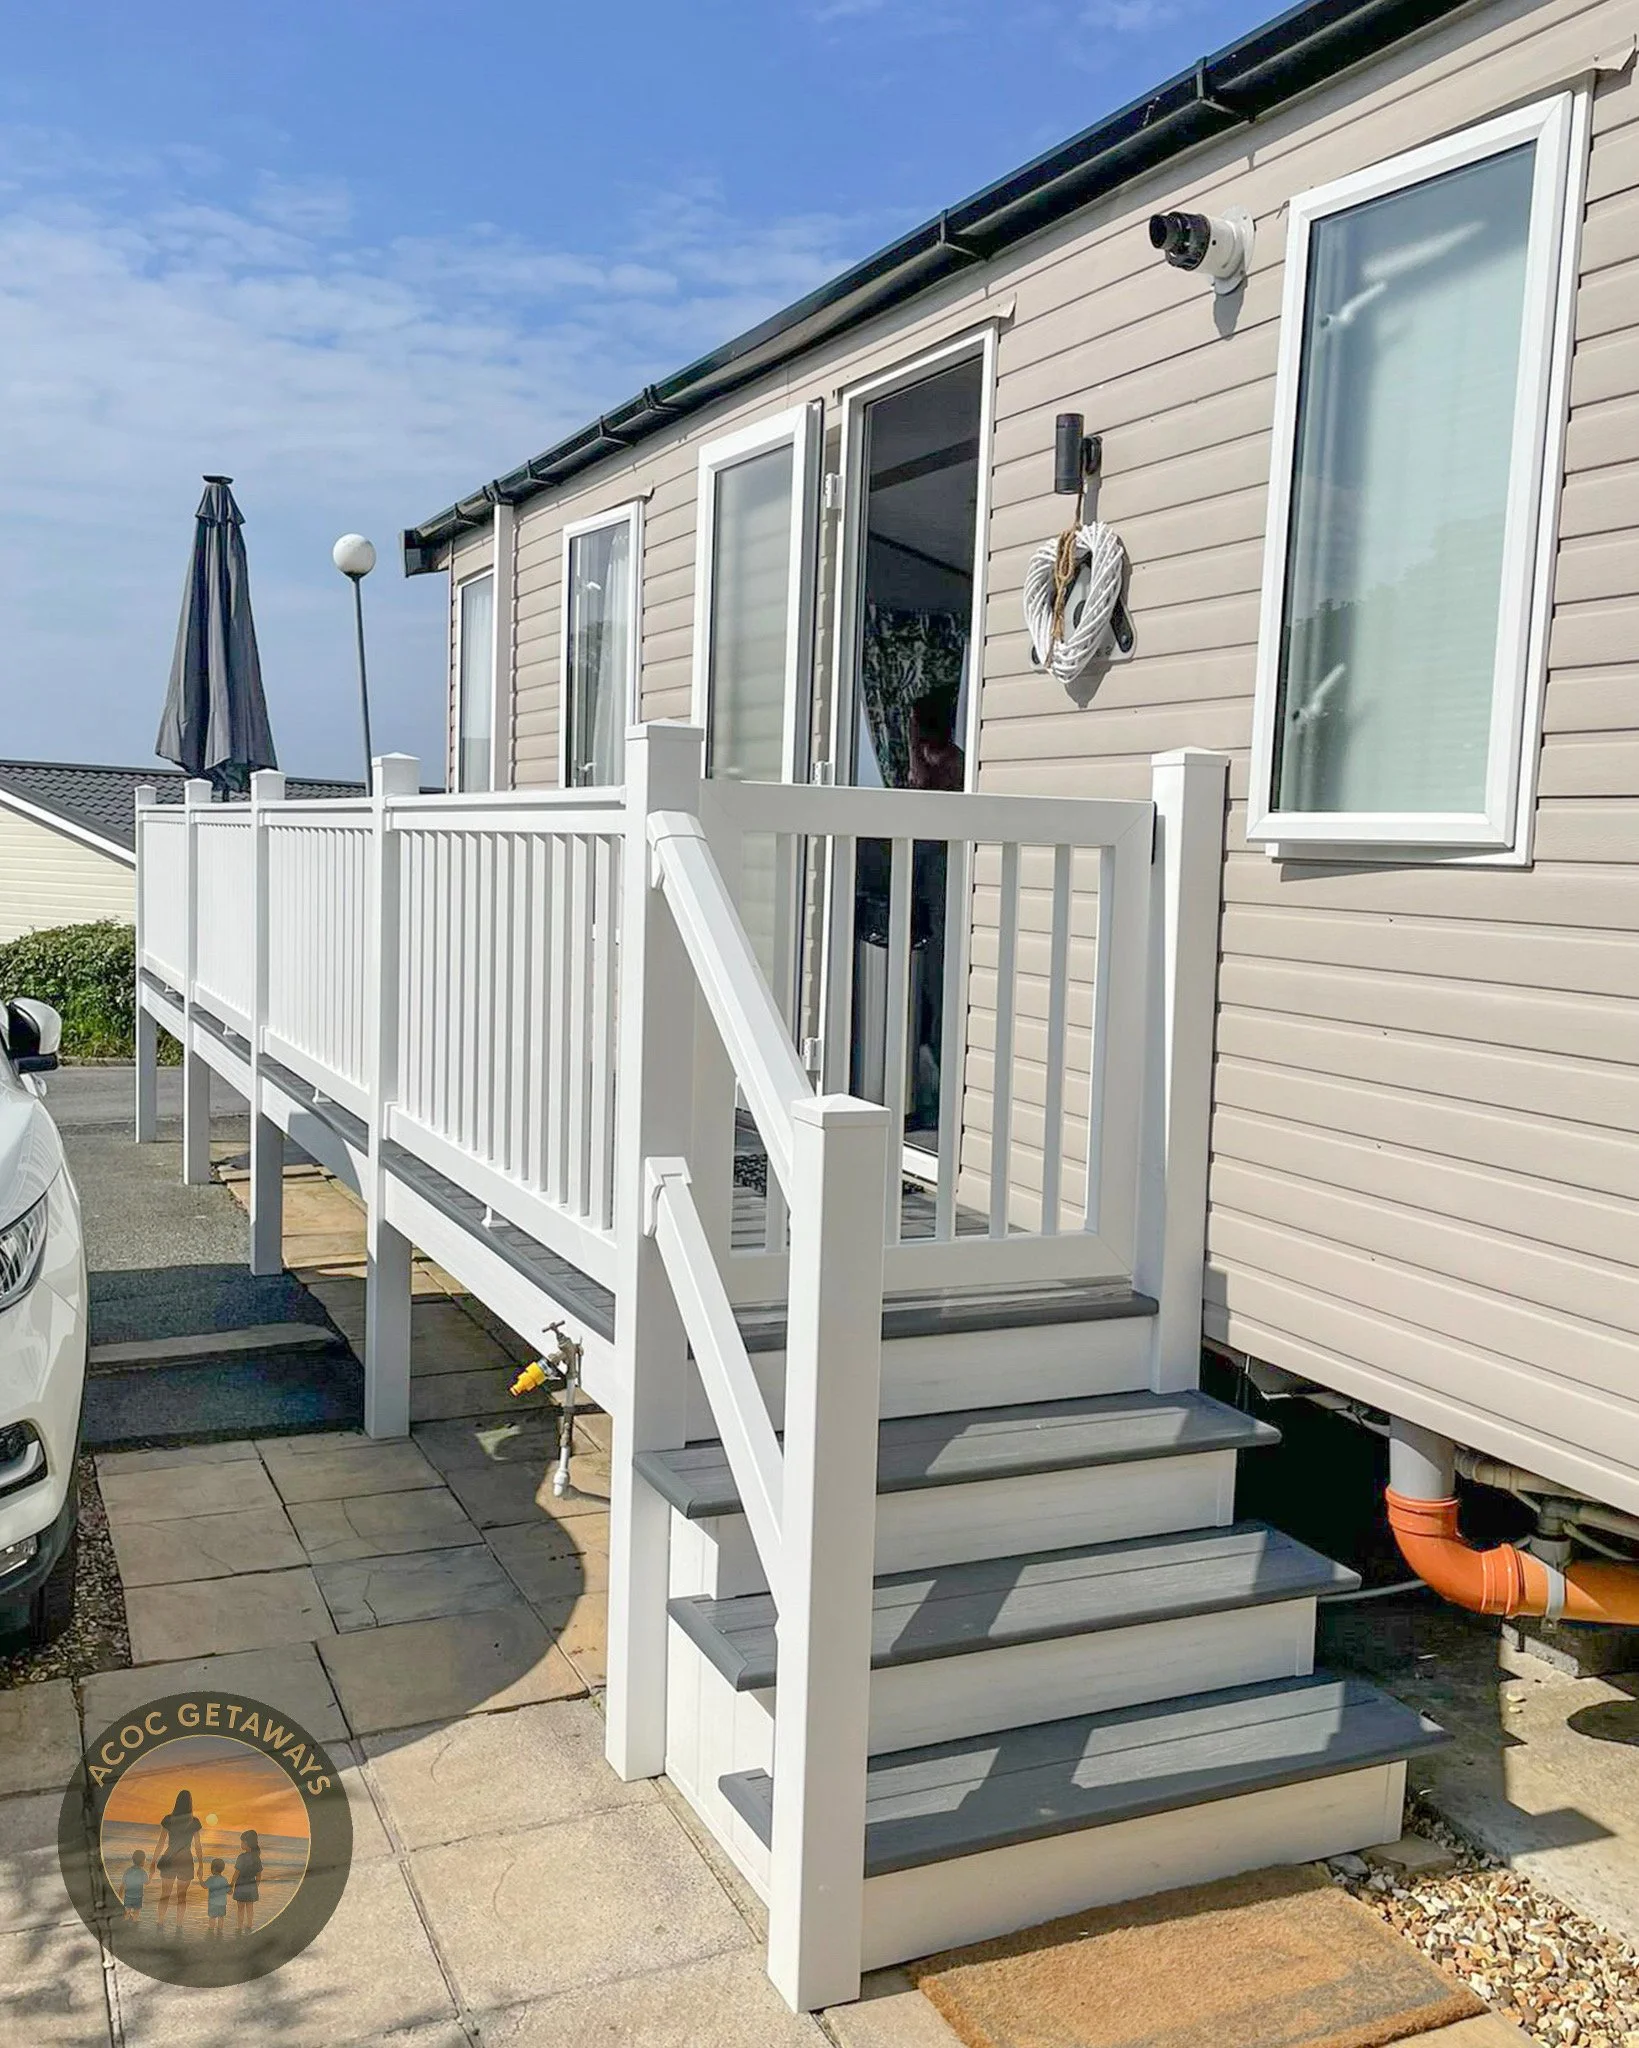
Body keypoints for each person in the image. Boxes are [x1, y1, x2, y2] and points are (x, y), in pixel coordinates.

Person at [150, 1789, 203, 1933]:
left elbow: (160, 1843)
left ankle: (160, 1924)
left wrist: (153, 1862)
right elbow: (197, 1846)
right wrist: (201, 1865)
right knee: (182, 1897)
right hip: (186, 1861)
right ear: (190, 1803)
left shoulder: (169, 1819)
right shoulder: (194, 1822)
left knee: (165, 1894)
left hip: (169, 1859)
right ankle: (179, 1927)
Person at [232, 1829, 262, 1936]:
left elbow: (236, 1873)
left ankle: (239, 1927)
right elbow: (259, 1876)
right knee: (250, 1907)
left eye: (242, 1842)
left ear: (247, 1843)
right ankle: (249, 1925)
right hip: (251, 1885)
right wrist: (256, 1886)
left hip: (240, 1885)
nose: (240, 1844)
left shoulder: (241, 1857)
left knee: (240, 1907)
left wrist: (231, 1884)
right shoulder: (256, 1858)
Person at [203, 1858, 231, 1940]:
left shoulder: (211, 1879)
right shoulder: (224, 1879)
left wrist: (200, 1879)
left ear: (213, 1869)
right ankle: (220, 1932)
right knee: (221, 1917)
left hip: (213, 1903)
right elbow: (229, 1892)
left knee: (212, 1917)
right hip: (222, 1903)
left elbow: (204, 1886)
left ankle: (211, 1931)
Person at [120, 1850, 147, 1924]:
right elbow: (146, 1882)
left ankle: (125, 1921)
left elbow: (122, 1884)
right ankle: (135, 1922)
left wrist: (120, 1896)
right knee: (136, 1912)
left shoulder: (128, 1871)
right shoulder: (143, 1872)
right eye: (145, 1859)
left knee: (127, 1911)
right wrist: (151, 1874)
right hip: (138, 1897)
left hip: (128, 1896)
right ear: (143, 1861)